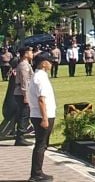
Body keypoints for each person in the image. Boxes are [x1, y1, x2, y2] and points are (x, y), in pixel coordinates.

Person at [27, 52, 56, 182]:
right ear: (44, 63)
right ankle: (36, 173)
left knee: (42, 144)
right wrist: (45, 118)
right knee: (41, 144)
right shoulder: (40, 78)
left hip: (39, 114)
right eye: (50, 62)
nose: (51, 64)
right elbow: (41, 100)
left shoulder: (38, 76)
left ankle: (38, 172)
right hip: (42, 115)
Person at [13, 47, 34, 146]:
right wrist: (26, 96)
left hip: (22, 93)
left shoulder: (26, 65)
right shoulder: (24, 66)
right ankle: (20, 138)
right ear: (25, 54)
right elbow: (24, 82)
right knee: (24, 114)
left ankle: (20, 136)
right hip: (22, 94)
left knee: (24, 114)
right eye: (30, 52)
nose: (32, 54)